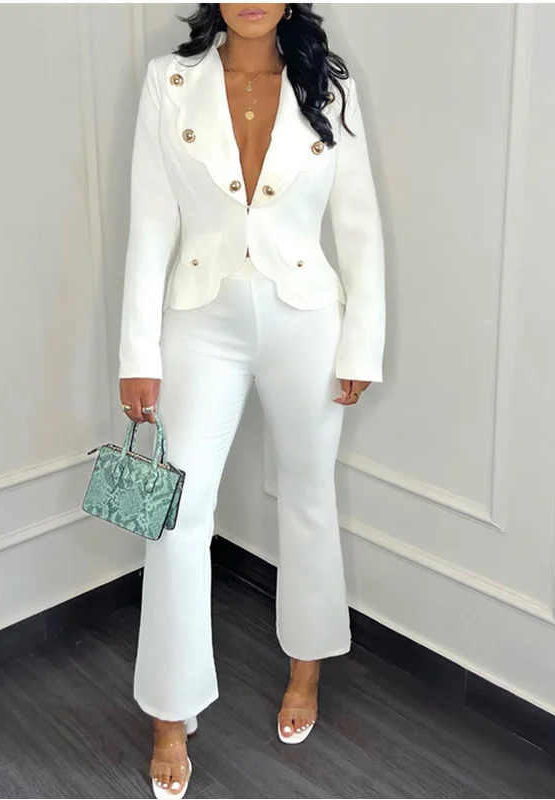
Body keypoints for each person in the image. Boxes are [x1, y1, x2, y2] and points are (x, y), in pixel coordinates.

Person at [117, 3, 385, 797]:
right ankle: (171, 711)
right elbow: (150, 223)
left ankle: (306, 668)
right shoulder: (168, 82)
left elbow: (358, 223)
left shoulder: (329, 84)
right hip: (200, 319)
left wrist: (362, 343)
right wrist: (138, 353)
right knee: (176, 514)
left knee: (308, 496)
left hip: (309, 318)